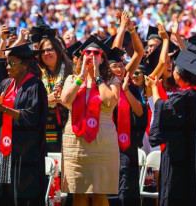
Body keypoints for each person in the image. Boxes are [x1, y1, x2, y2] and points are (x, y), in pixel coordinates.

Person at [0, 43, 48, 205]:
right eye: (6, 62)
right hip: (4, 151)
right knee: (3, 194)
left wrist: (4, 108)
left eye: (12, 63)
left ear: (25, 64)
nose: (7, 66)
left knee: (22, 195)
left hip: (24, 154)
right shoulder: (5, 84)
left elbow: (34, 117)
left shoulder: (35, 86)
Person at [60, 35, 121, 206]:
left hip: (102, 142)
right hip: (76, 142)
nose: (92, 56)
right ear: (81, 57)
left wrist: (97, 78)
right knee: (78, 192)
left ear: (102, 58)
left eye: (96, 53)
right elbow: (65, 100)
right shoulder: (72, 79)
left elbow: (110, 101)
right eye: (87, 53)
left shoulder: (111, 80)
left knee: (99, 192)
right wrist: (82, 76)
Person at [148, 49, 196, 206]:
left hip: (177, 153)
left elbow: (162, 109)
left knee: (174, 190)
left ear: (179, 76)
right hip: (193, 151)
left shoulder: (181, 97)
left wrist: (154, 88)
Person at [107, 12, 147, 206]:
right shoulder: (106, 81)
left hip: (128, 143)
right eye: (115, 66)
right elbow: (114, 51)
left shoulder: (126, 80)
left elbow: (139, 53)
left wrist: (131, 29)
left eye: (121, 65)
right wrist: (122, 27)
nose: (120, 68)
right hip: (108, 143)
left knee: (129, 188)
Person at [34, 25, 73, 153]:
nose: (46, 53)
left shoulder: (70, 70)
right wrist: (47, 99)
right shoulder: (36, 73)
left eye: (50, 49)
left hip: (69, 126)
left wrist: (64, 98)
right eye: (43, 51)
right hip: (45, 128)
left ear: (57, 50)